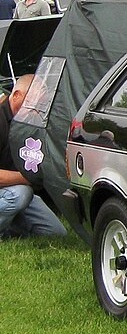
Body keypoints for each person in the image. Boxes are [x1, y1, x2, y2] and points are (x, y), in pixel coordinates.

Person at [1, 75, 66, 239]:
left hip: (12, 190)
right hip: (15, 191)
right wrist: (30, 178)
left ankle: (6, 228)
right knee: (20, 194)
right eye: (33, 104)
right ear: (16, 96)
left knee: (55, 232)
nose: (37, 110)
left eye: (40, 106)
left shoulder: (32, 125)